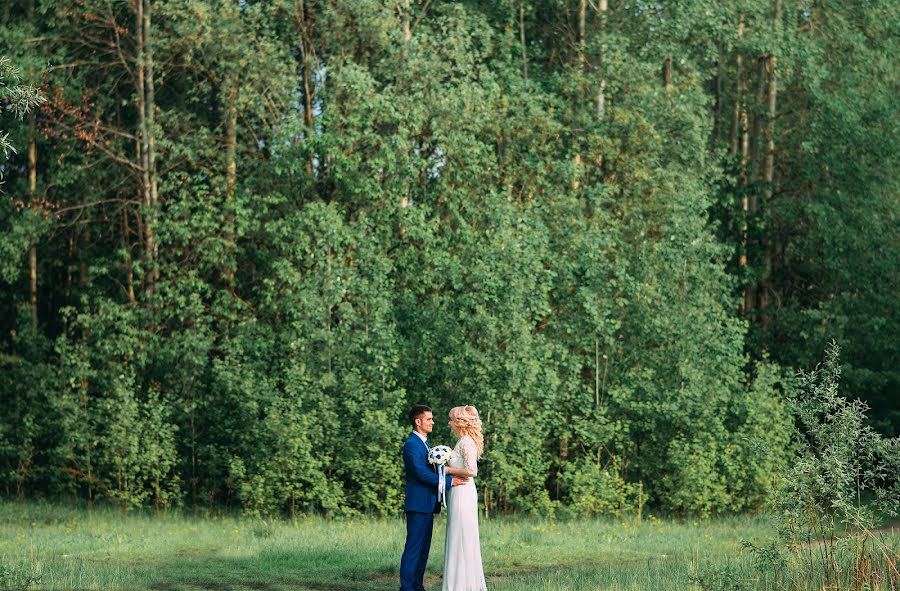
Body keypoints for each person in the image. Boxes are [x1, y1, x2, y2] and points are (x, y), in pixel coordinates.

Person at [400, 404, 468, 591]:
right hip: (418, 505)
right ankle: (406, 588)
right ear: (418, 421)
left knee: (423, 550)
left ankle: (417, 585)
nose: (433, 422)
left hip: (428, 504)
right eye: (429, 419)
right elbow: (421, 473)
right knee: (414, 549)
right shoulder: (411, 445)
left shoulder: (425, 443)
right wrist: (449, 482)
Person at [441, 405, 487, 591]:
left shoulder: (466, 442)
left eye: (451, 419)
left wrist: (447, 469)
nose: (449, 422)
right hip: (460, 491)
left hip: (463, 491)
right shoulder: (463, 441)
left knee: (461, 535)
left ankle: (460, 585)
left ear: (460, 423)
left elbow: (471, 471)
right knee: (459, 534)